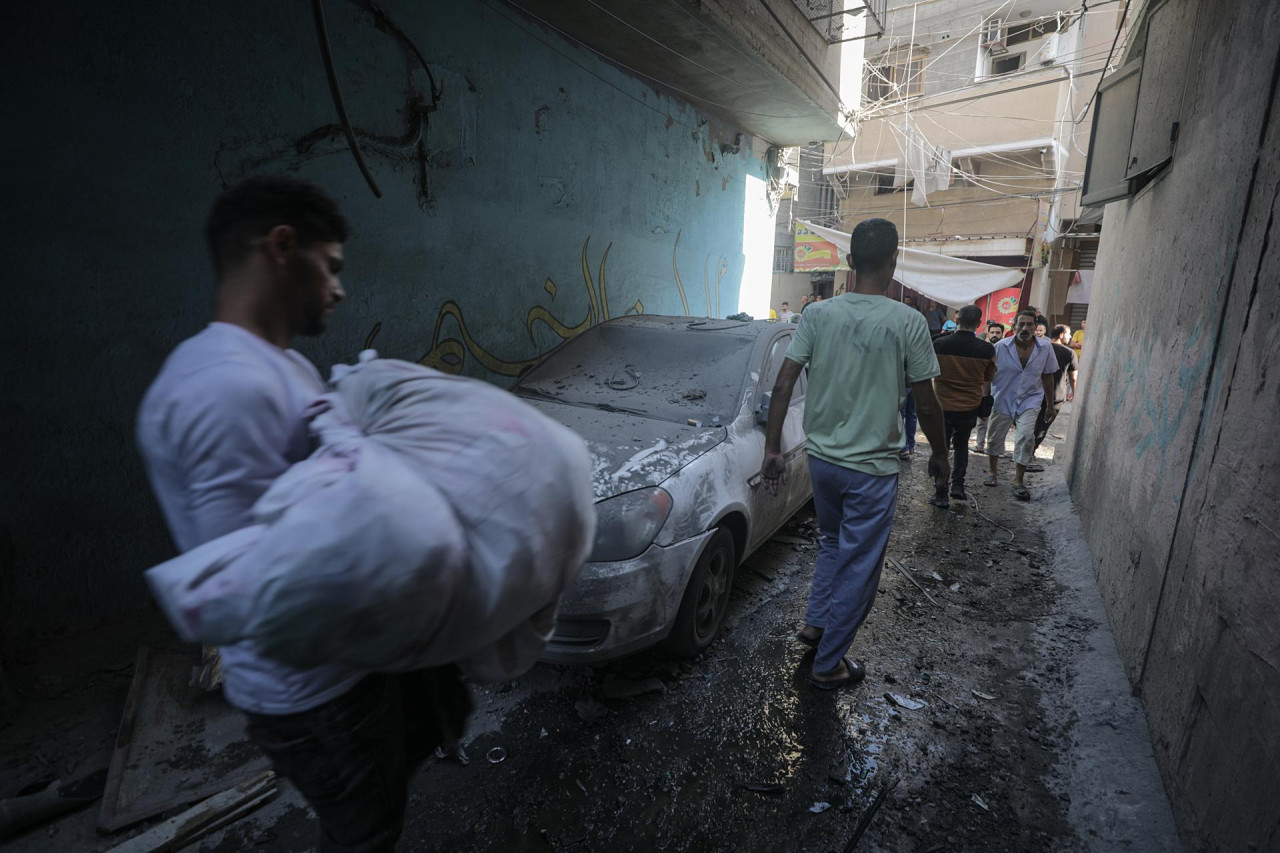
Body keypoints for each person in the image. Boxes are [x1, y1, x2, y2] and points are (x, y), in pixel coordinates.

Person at [136, 177, 469, 852]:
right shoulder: (223, 387)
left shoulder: (278, 366)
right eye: (333, 266)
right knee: (363, 833)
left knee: (385, 794)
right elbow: (259, 583)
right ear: (283, 246)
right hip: (316, 693)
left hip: (346, 664)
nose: (340, 288)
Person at [761, 218, 949, 690]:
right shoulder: (907, 321)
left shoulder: (818, 315)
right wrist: (941, 455)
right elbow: (926, 401)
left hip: (822, 462)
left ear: (848, 263)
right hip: (871, 470)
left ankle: (815, 624)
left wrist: (772, 448)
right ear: (893, 262)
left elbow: (784, 381)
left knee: (831, 544)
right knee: (860, 566)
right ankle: (829, 664)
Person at [980, 309, 1058, 500]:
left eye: (1029, 324)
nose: (1025, 328)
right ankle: (992, 471)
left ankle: (1018, 480)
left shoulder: (1045, 348)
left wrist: (1050, 404)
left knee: (1026, 437)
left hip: (1030, 399)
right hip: (1003, 396)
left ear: (1035, 327)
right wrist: (984, 397)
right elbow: (987, 374)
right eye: (1021, 324)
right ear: (1014, 326)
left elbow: (1048, 376)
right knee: (995, 436)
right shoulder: (1000, 347)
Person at [930, 305, 996, 507]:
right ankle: (958, 486)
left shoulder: (939, 344)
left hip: (942, 404)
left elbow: (929, 370)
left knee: (940, 449)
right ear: (978, 324)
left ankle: (941, 493)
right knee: (961, 446)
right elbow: (989, 376)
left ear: (957, 320)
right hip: (969, 405)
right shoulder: (986, 349)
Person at [1031, 324, 1080, 458]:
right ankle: (1031, 450)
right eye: (1069, 334)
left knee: (1029, 421)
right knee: (1042, 426)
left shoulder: (1040, 348)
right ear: (1061, 335)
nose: (1070, 337)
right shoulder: (1069, 352)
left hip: (1034, 392)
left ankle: (1025, 448)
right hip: (1056, 395)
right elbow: (1073, 377)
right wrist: (1074, 394)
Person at [972, 321, 1005, 453]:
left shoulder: (1006, 348)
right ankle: (980, 444)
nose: (995, 335)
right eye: (992, 332)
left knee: (999, 419)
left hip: (1001, 388)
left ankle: (996, 448)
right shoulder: (982, 349)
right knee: (982, 417)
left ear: (1002, 334)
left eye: (998, 332)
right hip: (983, 387)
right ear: (987, 333)